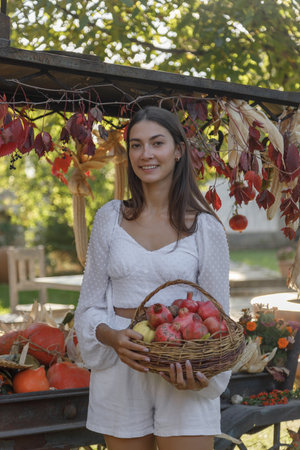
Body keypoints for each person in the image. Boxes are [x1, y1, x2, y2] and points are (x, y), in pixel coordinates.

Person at [74, 106, 231, 450]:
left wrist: (202, 376)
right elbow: (88, 305)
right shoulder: (109, 218)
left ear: (178, 150)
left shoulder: (205, 227)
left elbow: (220, 318)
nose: (145, 154)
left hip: (182, 367)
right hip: (121, 364)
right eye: (136, 145)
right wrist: (112, 337)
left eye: (156, 143)